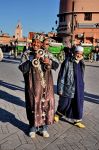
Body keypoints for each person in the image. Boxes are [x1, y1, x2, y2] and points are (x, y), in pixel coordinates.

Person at [19, 38, 59, 138]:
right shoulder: (26, 54)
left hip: (46, 85)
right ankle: (32, 127)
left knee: (45, 105)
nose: (36, 44)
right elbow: (22, 68)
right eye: (34, 42)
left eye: (38, 43)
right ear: (31, 43)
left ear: (41, 44)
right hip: (32, 86)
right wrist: (33, 59)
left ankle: (44, 128)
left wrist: (48, 61)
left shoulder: (46, 53)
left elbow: (56, 64)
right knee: (33, 105)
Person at [54, 46, 85, 128]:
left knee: (78, 103)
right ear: (74, 53)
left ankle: (77, 120)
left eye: (80, 54)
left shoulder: (82, 62)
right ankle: (58, 114)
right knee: (64, 102)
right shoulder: (67, 61)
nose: (79, 55)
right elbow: (62, 76)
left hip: (79, 86)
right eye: (77, 53)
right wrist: (60, 88)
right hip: (69, 85)